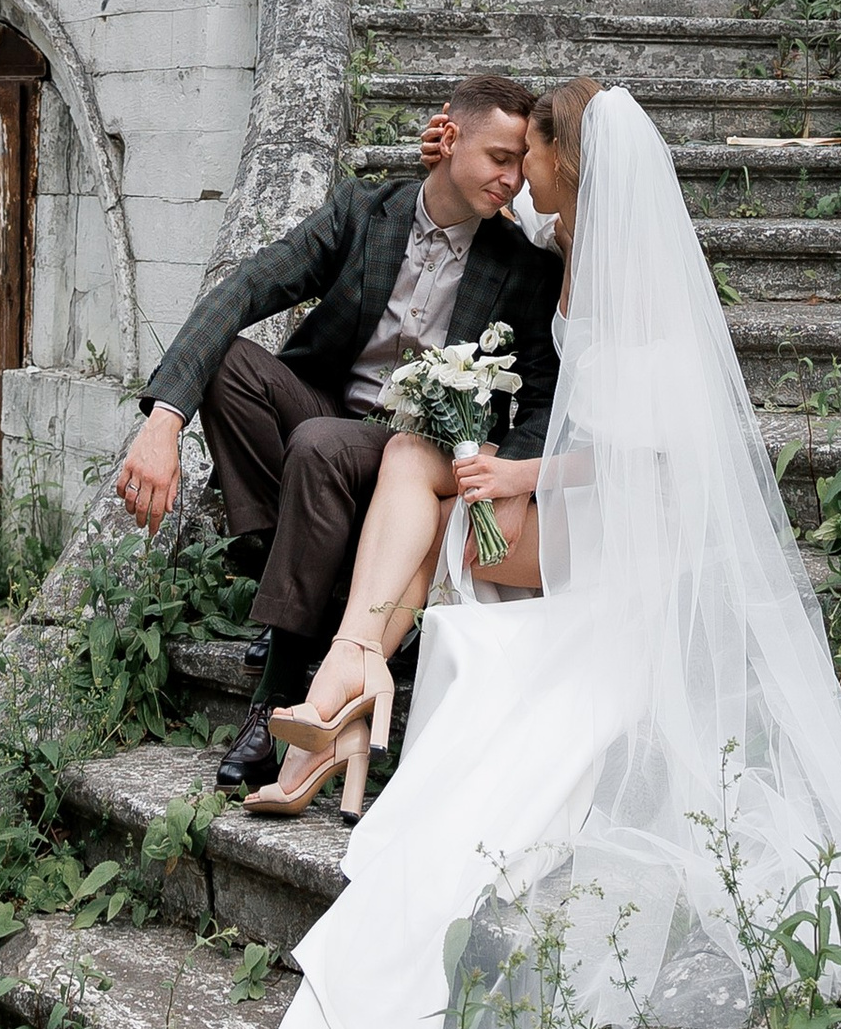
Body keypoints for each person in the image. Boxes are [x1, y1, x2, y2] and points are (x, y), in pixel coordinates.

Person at [266, 79, 841, 1029]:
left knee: (440, 498)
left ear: (567, 161)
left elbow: (654, 458)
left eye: (527, 155)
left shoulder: (640, 281)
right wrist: (436, 152)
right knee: (413, 461)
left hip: (625, 539)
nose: (514, 173)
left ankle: (348, 699)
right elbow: (471, 187)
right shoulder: (557, 228)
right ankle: (356, 670)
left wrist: (521, 472)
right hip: (567, 520)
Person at [114, 68, 563, 799]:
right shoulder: (365, 211)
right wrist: (165, 419)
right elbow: (249, 284)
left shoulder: (522, 266)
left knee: (321, 444)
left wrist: (504, 476)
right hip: (327, 410)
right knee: (231, 364)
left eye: (520, 163)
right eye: (498, 158)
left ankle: (277, 696)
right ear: (448, 137)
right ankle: (305, 588)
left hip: (414, 449)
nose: (511, 181)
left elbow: (542, 396)